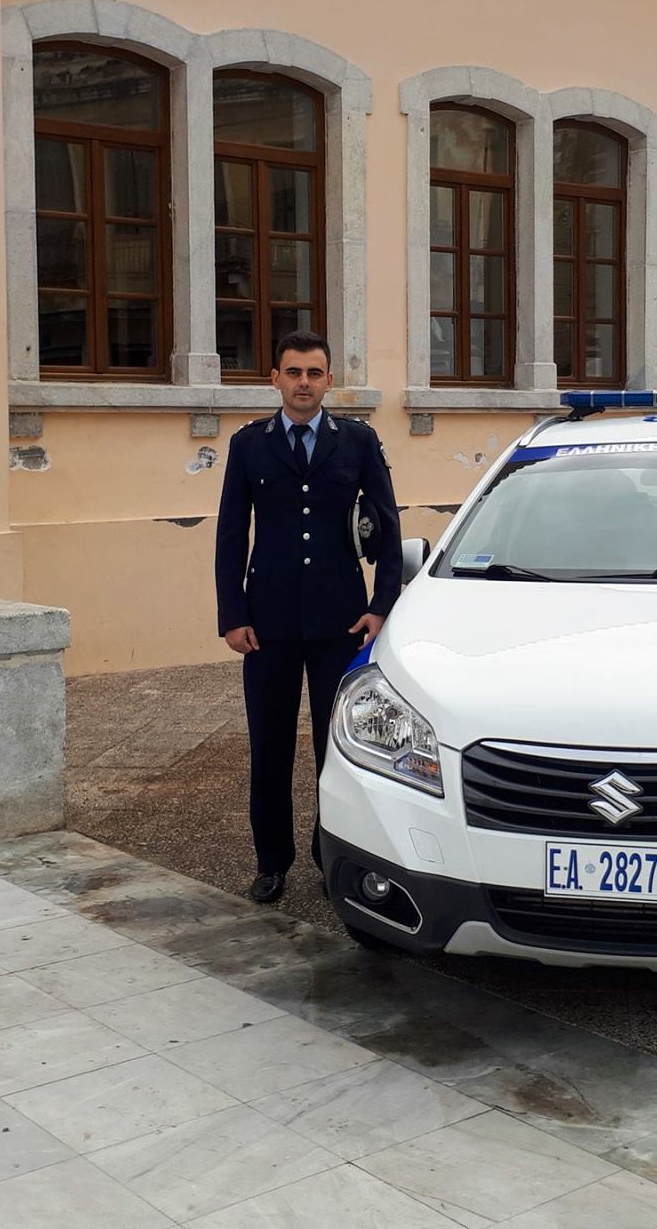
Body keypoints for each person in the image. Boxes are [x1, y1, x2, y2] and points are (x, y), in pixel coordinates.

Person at [215, 331, 402, 904]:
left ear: (328, 380)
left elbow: (389, 527)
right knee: (268, 749)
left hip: (338, 625)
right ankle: (271, 861)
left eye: (314, 373)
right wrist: (232, 613)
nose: (303, 383)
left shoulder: (358, 442)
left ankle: (332, 857)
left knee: (338, 750)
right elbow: (229, 534)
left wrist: (380, 607)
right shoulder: (249, 445)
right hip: (266, 626)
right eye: (293, 372)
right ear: (274, 378)